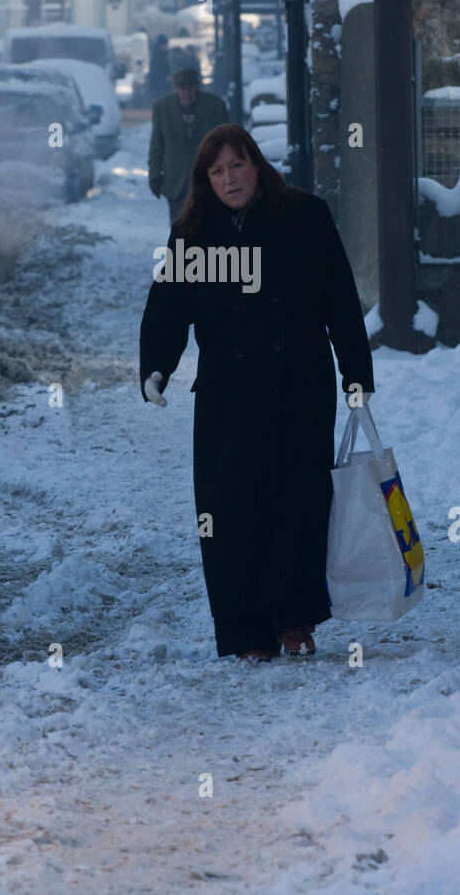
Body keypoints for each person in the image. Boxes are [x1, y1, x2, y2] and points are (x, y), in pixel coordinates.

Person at [139, 124, 374, 662]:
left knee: (298, 504)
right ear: (205, 180)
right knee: (230, 512)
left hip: (300, 389)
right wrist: (156, 367)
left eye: (237, 165)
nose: (229, 179)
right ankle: (246, 630)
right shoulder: (192, 233)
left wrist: (355, 374)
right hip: (228, 397)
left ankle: (296, 620)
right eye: (217, 171)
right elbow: (168, 307)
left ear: (256, 165)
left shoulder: (304, 218)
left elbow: (339, 298)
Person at [148, 68, 228, 226]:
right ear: (175, 89)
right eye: (182, 88)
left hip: (209, 181)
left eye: (191, 87)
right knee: (180, 230)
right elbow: (157, 145)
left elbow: (227, 142)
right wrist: (154, 175)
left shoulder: (215, 106)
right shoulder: (162, 108)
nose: (187, 93)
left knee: (208, 229)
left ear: (198, 86)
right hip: (176, 182)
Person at [145, 34, 170, 106]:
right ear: (160, 45)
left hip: (164, 85)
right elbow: (155, 72)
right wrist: (164, 78)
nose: (166, 46)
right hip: (158, 86)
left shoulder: (164, 54)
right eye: (164, 44)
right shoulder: (156, 56)